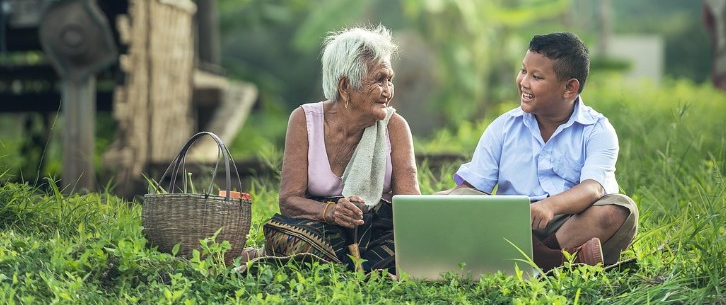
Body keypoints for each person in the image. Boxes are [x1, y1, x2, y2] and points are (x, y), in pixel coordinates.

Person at [443, 32, 638, 270]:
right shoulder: (503, 127)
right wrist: (431, 203)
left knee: (620, 210)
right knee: (463, 199)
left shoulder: (597, 129)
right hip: (512, 224)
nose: (524, 82)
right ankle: (558, 261)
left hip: (571, 224)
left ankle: (526, 258)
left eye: (536, 76)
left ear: (569, 88)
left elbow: (593, 188)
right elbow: (471, 188)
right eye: (523, 71)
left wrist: (550, 206)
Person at [256, 25, 420, 273]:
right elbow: (289, 201)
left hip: (377, 232)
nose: (388, 91)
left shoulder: (395, 127)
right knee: (294, 239)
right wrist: (331, 211)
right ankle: (361, 269)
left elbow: (410, 209)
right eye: (379, 80)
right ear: (345, 87)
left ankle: (345, 267)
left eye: (390, 80)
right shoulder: (304, 120)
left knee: (408, 250)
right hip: (321, 229)